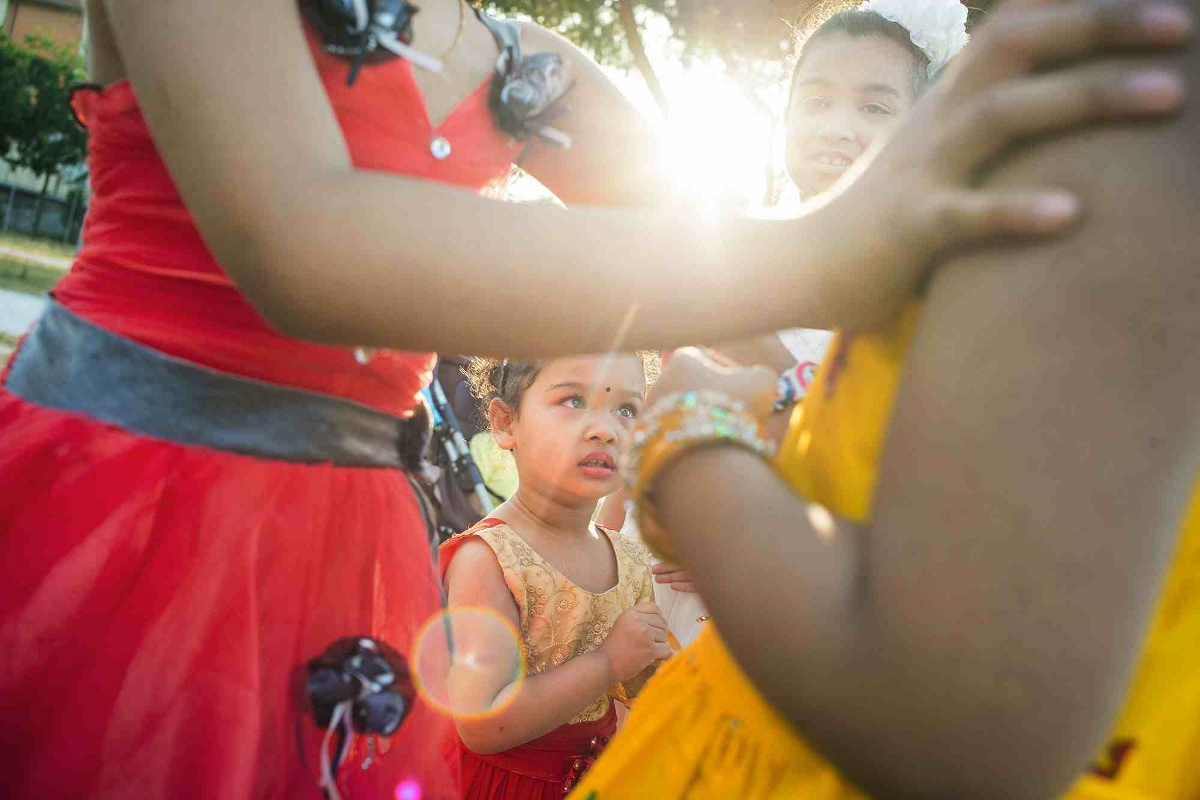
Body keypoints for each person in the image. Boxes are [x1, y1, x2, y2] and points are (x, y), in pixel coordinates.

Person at [0, 0, 1187, 796]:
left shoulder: (511, 54)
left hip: (332, 533)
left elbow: (708, 261)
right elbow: (300, 240)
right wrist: (833, 255)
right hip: (122, 486)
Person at [571, 1, 1200, 799]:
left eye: (877, 105)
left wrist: (685, 438)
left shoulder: (1117, 126)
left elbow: (948, 724)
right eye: (818, 98)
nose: (840, 125)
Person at [439, 353, 667, 798]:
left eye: (627, 410)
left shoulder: (630, 556)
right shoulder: (490, 558)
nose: (605, 428)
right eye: (573, 400)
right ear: (506, 424)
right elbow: (482, 722)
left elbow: (633, 694)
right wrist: (608, 662)